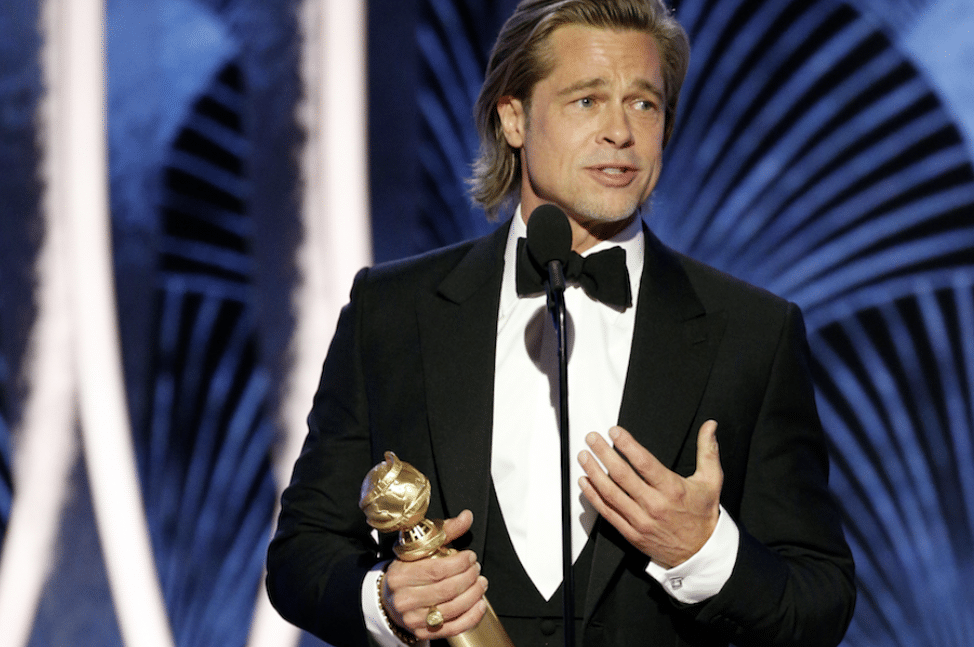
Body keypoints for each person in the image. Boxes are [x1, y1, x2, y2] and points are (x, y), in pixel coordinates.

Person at [265, 0, 856, 646]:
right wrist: (385, 600)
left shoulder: (753, 334)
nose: (620, 132)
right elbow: (300, 555)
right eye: (587, 100)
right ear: (514, 118)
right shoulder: (392, 311)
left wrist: (705, 550)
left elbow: (820, 601)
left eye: (644, 103)